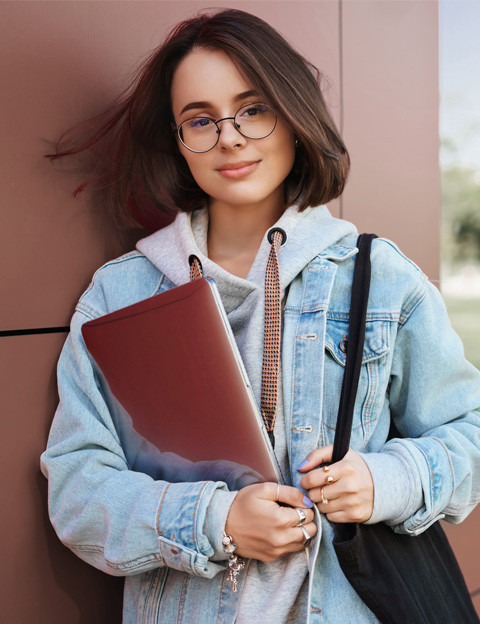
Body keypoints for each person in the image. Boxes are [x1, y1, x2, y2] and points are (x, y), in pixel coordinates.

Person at [40, 8, 480, 623]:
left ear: (293, 115)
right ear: (177, 142)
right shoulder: (121, 296)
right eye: (200, 119)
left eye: (252, 109)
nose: (229, 137)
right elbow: (78, 489)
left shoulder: (380, 280)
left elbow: (469, 433)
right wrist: (215, 522)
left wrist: (385, 481)